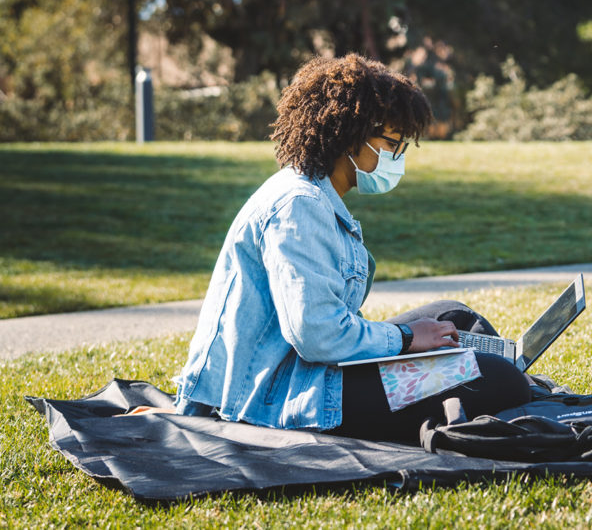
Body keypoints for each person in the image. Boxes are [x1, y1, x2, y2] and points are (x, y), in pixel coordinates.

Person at [174, 54, 531, 441]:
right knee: (501, 379)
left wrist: (410, 340)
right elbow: (317, 336)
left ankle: (492, 367)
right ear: (351, 135)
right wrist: (408, 340)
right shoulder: (298, 206)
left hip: (310, 371)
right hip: (284, 397)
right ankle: (502, 374)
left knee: (454, 318)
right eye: (392, 144)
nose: (397, 158)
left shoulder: (313, 194)